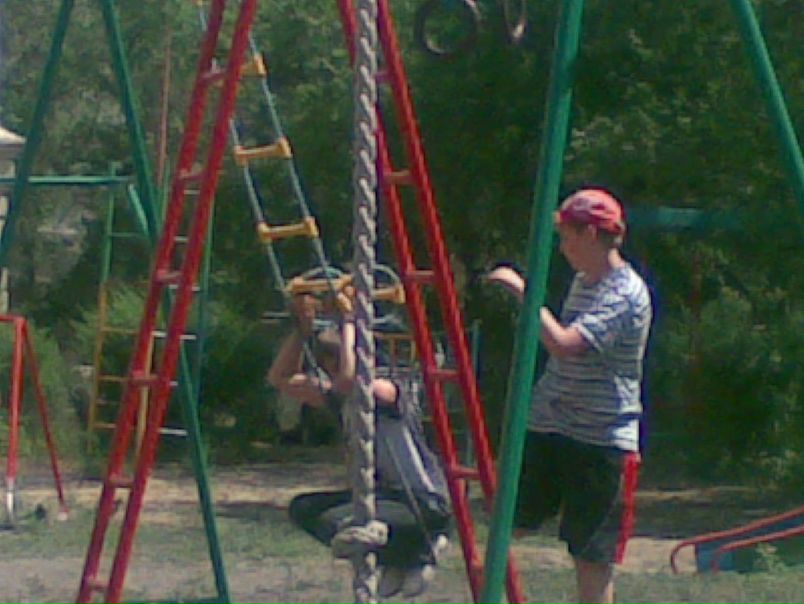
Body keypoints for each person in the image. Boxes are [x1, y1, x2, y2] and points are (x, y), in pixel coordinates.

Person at [486, 187, 652, 604]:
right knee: (507, 522)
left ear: (591, 235)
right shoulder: (584, 280)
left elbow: (564, 344)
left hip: (599, 438)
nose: (562, 248)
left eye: (567, 237)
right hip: (549, 424)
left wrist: (522, 293)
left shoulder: (624, 294)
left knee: (591, 557)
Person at [267, 292, 451, 598]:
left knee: (347, 524)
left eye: (332, 363)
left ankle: (422, 548)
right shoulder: (339, 395)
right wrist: (302, 329)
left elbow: (351, 381)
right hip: (385, 500)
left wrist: (350, 321)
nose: (327, 373)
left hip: (422, 502)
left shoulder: (391, 389)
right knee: (305, 509)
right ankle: (401, 556)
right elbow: (280, 377)